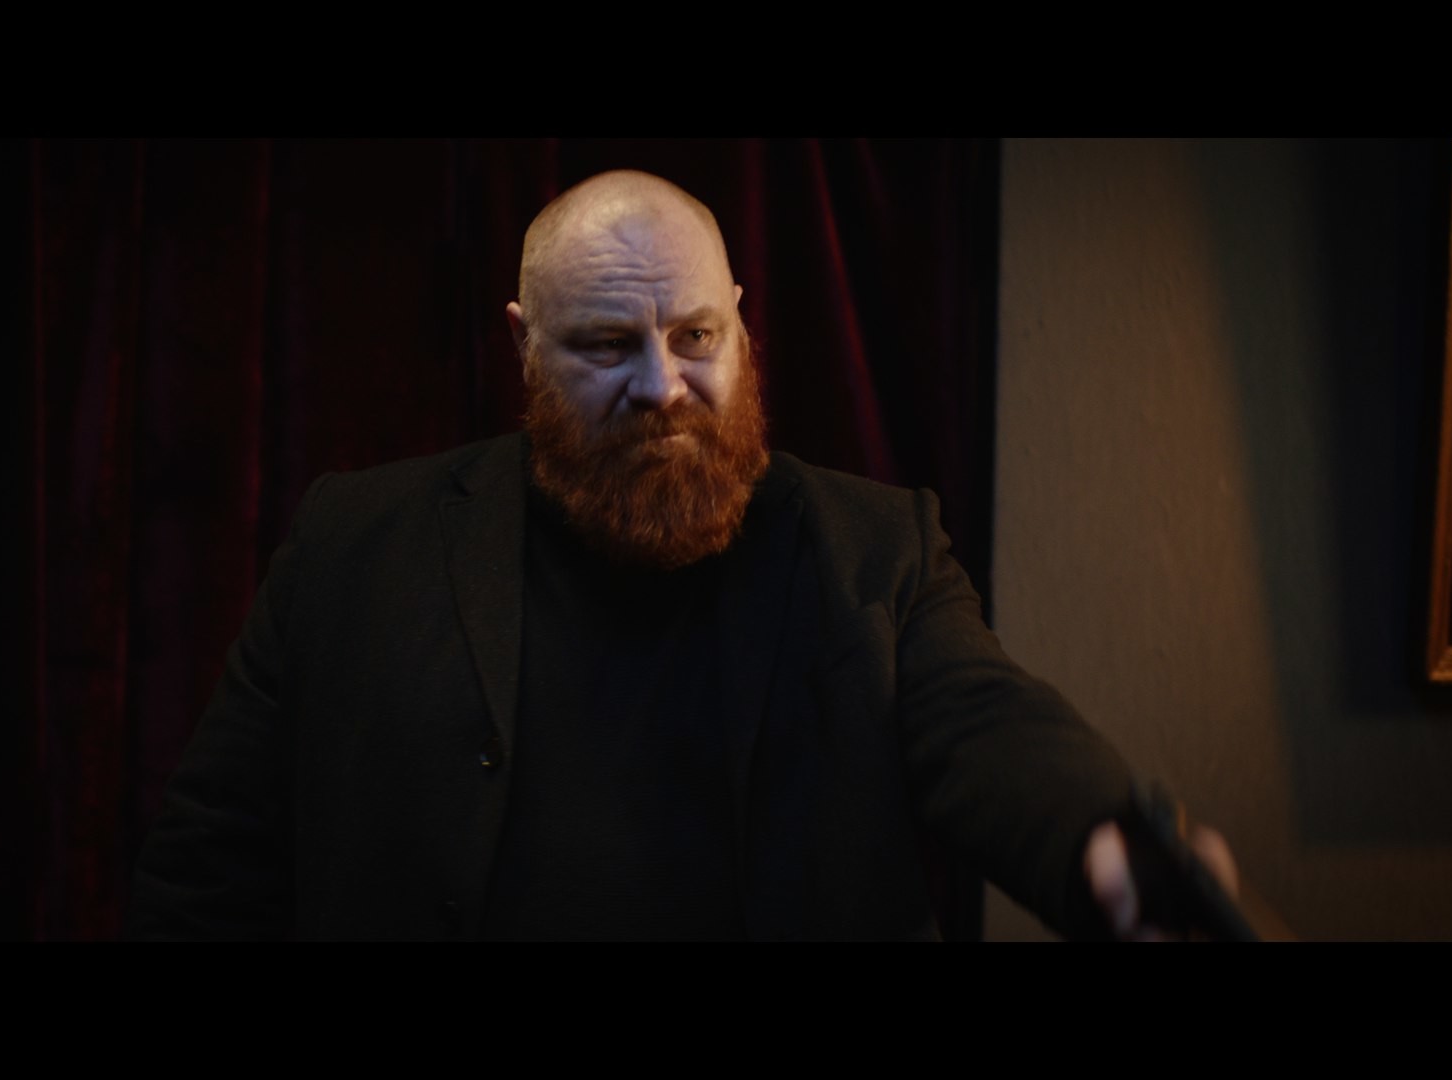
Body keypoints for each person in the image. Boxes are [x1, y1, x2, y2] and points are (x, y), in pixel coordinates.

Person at [129, 169, 1236, 941]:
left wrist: (1103, 840)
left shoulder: (874, 547)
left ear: (741, 326)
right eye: (608, 345)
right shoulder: (355, 544)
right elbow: (204, 873)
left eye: (695, 335)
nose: (661, 386)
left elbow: (987, 726)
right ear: (523, 344)